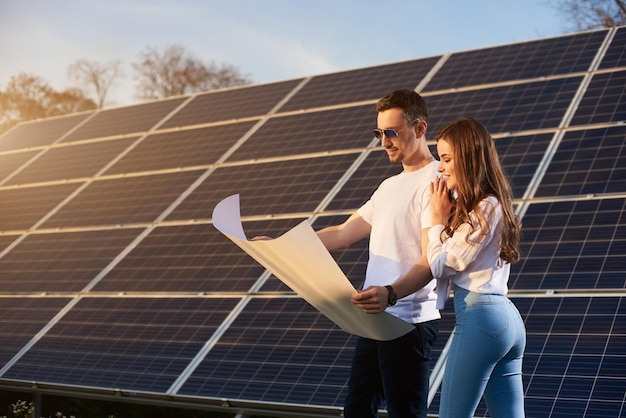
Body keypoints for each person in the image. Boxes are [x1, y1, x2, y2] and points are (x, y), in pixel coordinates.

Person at [353, 117, 526, 418]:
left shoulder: (485, 208)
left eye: (446, 159)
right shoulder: (490, 206)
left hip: (480, 321)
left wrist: (435, 219)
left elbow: (441, 265)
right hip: (507, 319)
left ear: (470, 159)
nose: (441, 168)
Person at [316, 89, 441, 418]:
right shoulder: (388, 187)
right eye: (379, 133)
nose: (384, 141)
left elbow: (433, 260)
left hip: (408, 322)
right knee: (356, 411)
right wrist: (283, 244)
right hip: (373, 319)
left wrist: (391, 294)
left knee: (405, 414)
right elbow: (343, 233)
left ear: (420, 127)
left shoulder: (438, 181)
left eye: (392, 132)